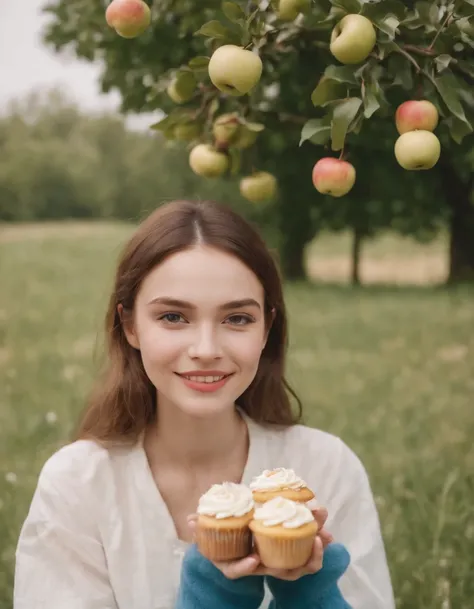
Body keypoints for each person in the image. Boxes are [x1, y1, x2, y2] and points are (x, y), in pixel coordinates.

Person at [14, 200, 395, 609]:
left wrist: (308, 593)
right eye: (174, 317)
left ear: (267, 327)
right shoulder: (77, 485)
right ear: (130, 326)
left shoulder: (327, 468)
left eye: (237, 319)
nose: (206, 349)